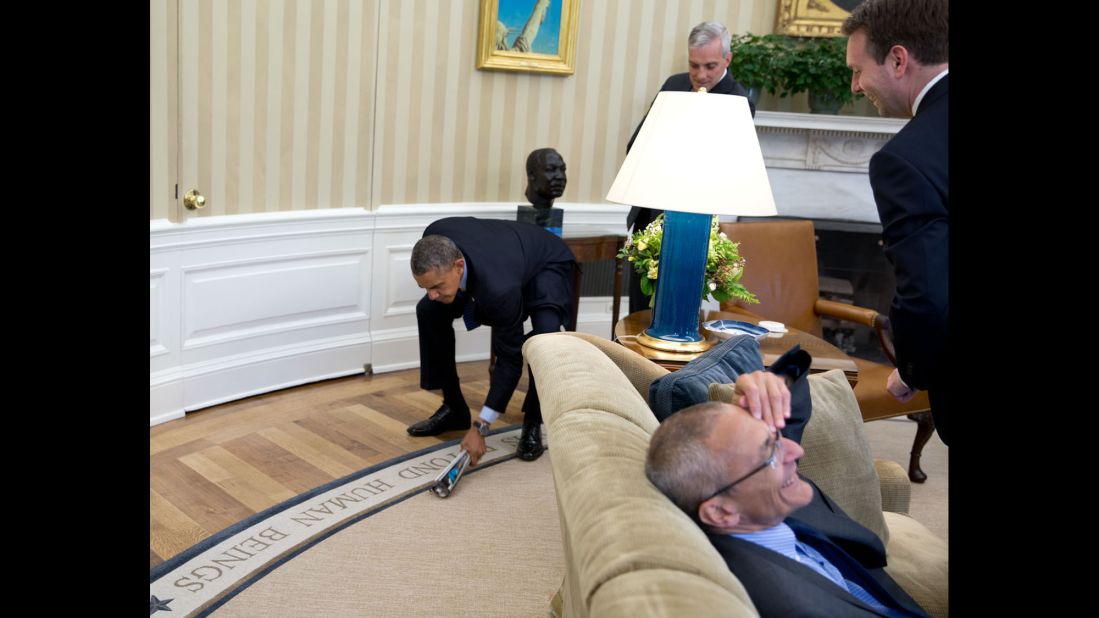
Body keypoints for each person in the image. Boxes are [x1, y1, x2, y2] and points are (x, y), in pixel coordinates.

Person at [646, 396, 929, 617]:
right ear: (721, 512)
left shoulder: (761, 503)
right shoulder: (795, 607)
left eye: (776, 437)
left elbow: (796, 398)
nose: (796, 451)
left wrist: (759, 385)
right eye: (770, 453)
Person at [842, 0, 949, 444]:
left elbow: (927, 297)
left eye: (858, 69)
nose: (854, 86)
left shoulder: (905, 160)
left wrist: (911, 369)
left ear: (898, 59)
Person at [406, 217, 576, 464]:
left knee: (546, 337)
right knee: (428, 310)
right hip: (503, 257)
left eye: (437, 286)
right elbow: (441, 290)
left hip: (545, 261)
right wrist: (438, 291)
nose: (431, 293)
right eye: (425, 287)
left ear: (458, 266)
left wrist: (481, 427)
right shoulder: (434, 234)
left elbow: (509, 360)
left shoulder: (499, 290)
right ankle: (454, 408)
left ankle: (532, 419)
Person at [624, 20, 756, 313]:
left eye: (709, 66)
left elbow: (724, 170)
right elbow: (636, 145)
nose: (700, 75)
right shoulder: (673, 85)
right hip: (650, 211)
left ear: (727, 59)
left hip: (694, 223)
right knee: (639, 307)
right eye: (694, 65)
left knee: (675, 307)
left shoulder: (738, 102)